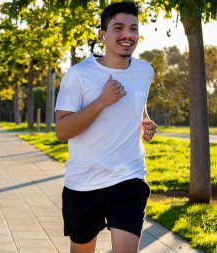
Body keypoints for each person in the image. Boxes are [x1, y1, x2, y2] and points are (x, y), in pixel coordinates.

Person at [54, 1, 157, 253]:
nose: (127, 35)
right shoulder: (78, 75)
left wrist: (146, 122)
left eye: (133, 29)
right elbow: (61, 131)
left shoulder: (145, 71)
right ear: (102, 34)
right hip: (85, 183)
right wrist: (102, 101)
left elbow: (139, 105)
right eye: (118, 27)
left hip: (129, 177)